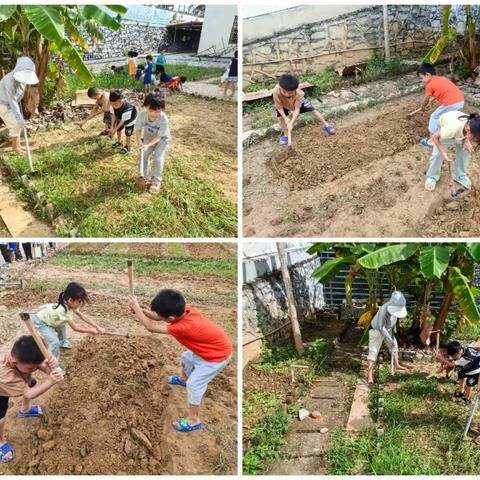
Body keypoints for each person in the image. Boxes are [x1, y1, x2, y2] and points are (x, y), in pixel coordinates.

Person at [128, 289, 232, 432]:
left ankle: (194, 420)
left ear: (171, 318)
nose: (158, 316)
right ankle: (183, 379)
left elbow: (150, 327)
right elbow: (158, 317)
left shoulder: (184, 327)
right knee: (186, 358)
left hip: (216, 357)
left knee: (194, 384)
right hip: (208, 349)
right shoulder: (185, 310)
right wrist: (139, 310)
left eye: (161, 314)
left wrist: (137, 309)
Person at [0, 335, 64, 462]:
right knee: (0, 420)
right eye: (31, 368)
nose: (34, 369)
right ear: (14, 362)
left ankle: (25, 410)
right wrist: (51, 381)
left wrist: (51, 365)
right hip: (1, 391)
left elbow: (41, 366)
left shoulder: (24, 357)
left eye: (36, 366)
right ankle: (1, 442)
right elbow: (28, 394)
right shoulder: (6, 374)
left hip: (20, 381)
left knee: (31, 383)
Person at [31, 282, 105, 366]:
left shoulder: (70, 304)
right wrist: (91, 330)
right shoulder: (62, 310)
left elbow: (82, 316)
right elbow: (75, 328)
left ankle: (62, 342)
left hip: (52, 319)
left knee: (62, 326)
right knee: (55, 342)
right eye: (80, 301)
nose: (81, 304)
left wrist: (97, 326)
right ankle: (51, 364)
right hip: (41, 321)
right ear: (70, 300)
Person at [424, 111, 480, 193]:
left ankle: (460, 176)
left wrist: (466, 140)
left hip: (460, 128)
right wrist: (443, 153)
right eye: (475, 138)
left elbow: (469, 130)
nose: (475, 141)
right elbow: (435, 137)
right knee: (438, 154)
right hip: (446, 125)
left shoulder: (474, 124)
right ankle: (432, 176)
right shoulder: (451, 129)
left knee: (467, 150)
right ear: (469, 130)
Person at [273, 73, 335, 145]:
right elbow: (279, 107)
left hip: (297, 102)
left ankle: (327, 125)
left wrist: (292, 122)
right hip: (283, 103)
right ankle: (286, 135)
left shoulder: (299, 93)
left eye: (290, 93)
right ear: (280, 87)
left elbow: (296, 109)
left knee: (312, 110)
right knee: (280, 118)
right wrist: (286, 118)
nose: (286, 94)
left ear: (295, 89)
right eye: (284, 92)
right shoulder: (276, 91)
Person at [416, 63, 465, 148]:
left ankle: (432, 141)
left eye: (422, 78)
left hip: (451, 103)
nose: (422, 80)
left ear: (427, 74)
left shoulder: (429, 85)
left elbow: (426, 98)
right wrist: (431, 101)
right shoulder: (442, 78)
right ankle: (450, 134)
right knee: (447, 118)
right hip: (460, 101)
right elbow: (441, 91)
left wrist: (423, 107)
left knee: (434, 117)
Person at [366, 291, 409, 385]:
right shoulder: (384, 309)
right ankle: (369, 376)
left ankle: (396, 365)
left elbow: (392, 322)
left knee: (394, 346)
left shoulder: (397, 308)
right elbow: (382, 327)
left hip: (388, 329)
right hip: (376, 330)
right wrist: (389, 339)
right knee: (373, 352)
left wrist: (391, 338)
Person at [0, 57, 39, 154]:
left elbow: (18, 96)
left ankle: (18, 145)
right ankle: (15, 147)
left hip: (9, 104)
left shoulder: (21, 80)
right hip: (3, 105)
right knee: (15, 124)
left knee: (17, 124)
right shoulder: (10, 82)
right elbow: (12, 100)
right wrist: (19, 118)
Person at [135, 91, 170, 194]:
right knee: (143, 156)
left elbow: (159, 137)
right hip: (148, 138)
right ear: (146, 107)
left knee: (158, 159)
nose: (154, 114)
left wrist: (148, 145)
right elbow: (138, 130)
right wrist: (140, 142)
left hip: (162, 139)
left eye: (157, 111)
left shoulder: (163, 118)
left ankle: (156, 181)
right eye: (151, 110)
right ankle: (145, 176)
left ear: (161, 109)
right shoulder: (142, 115)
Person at [109, 90, 138, 154]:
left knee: (128, 133)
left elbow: (123, 121)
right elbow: (113, 115)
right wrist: (112, 126)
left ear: (121, 100)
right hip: (121, 117)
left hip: (130, 120)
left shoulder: (128, 108)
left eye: (115, 104)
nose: (114, 106)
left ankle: (128, 147)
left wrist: (114, 130)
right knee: (118, 129)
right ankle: (119, 141)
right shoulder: (113, 105)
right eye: (112, 104)